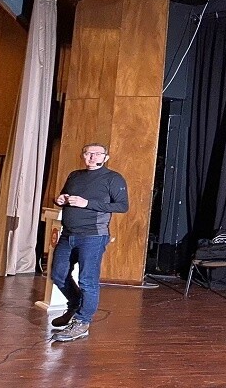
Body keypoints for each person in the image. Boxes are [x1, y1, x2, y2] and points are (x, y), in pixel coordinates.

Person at [49, 143, 129, 343]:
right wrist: (60, 200)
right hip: (68, 234)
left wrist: (87, 204)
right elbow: (63, 197)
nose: (92, 157)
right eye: (88, 153)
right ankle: (75, 304)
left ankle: (82, 321)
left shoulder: (113, 178)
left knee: (87, 280)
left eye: (97, 154)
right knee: (58, 275)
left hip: (93, 236)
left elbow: (122, 206)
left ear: (106, 157)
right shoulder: (75, 176)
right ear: (83, 155)